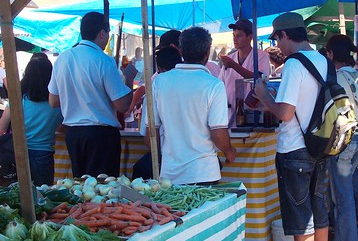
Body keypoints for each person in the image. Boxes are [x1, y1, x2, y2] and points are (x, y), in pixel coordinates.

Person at [253, 12, 330, 241]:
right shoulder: (324, 60)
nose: (277, 46)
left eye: (277, 39)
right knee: (319, 212)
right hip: (322, 145)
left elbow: (285, 113)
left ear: (285, 35)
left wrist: (264, 95)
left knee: (301, 217)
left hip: (295, 149)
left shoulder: (295, 65)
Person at [48, 11, 132, 178]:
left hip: (73, 133)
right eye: (108, 33)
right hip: (100, 134)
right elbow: (123, 105)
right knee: (103, 189)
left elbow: (53, 100)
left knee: (82, 187)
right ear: (102, 33)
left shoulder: (63, 58)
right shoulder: (103, 60)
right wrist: (128, 78)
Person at [150, 27, 236, 185]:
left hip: (170, 174)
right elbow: (218, 133)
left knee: (173, 210)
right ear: (207, 52)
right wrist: (229, 151)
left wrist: (162, 159)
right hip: (203, 172)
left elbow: (151, 131)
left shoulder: (160, 82)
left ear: (181, 51)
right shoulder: (214, 85)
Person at [324, 34, 358, 241]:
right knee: (348, 190)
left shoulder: (335, 78)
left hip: (342, 141)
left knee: (342, 202)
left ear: (331, 54)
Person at [0, 58, 63, 186]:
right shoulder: (57, 104)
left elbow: (2, 127)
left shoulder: (18, 100)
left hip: (16, 153)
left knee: (16, 197)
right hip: (43, 154)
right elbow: (61, 128)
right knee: (43, 198)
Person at [132, 46, 182, 179]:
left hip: (166, 161)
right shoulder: (197, 86)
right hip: (195, 164)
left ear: (160, 69)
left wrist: (159, 159)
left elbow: (149, 136)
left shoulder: (155, 88)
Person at [218, 19, 270, 127]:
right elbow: (220, 85)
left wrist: (234, 66)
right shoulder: (229, 59)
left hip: (252, 114)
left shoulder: (260, 56)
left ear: (250, 37)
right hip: (229, 114)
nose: (235, 39)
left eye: (239, 36)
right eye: (234, 35)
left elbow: (260, 79)